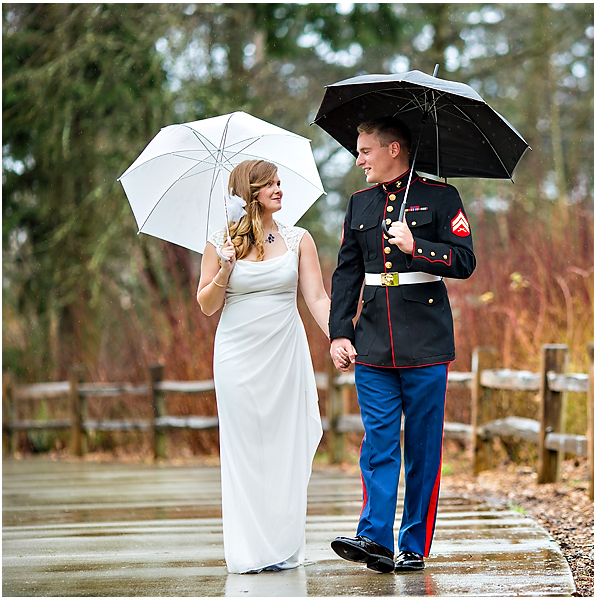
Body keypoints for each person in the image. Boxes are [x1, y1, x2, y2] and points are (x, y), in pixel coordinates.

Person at [328, 116, 476, 573]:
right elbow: (347, 272)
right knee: (378, 443)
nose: (359, 159)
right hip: (372, 339)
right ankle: (374, 538)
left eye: (366, 150)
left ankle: (414, 544)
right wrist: (340, 332)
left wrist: (419, 246)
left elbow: (466, 262)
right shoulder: (359, 204)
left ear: (394, 149)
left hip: (427, 342)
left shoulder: (441, 196)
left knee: (423, 448)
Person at [197, 159, 345, 574]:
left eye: (280, 182)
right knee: (245, 449)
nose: (279, 189)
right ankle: (248, 550)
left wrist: (338, 335)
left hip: (285, 353)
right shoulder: (219, 240)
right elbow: (207, 305)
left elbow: (316, 298)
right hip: (236, 355)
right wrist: (225, 267)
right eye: (270, 184)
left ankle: (282, 544)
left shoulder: (299, 239)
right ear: (250, 191)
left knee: (287, 445)